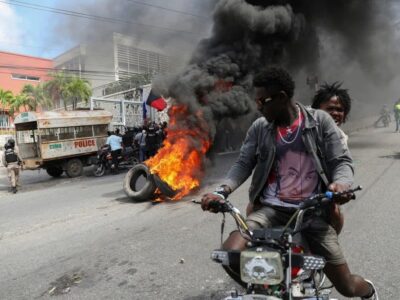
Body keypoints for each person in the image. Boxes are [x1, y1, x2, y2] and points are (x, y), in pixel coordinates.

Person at [201, 67, 378, 299]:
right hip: (271, 210)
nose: (258, 106)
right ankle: (273, 290)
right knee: (231, 253)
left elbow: (341, 161)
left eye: (263, 101)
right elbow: (243, 163)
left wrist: (341, 184)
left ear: (282, 97)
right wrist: (221, 192)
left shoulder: (320, 121)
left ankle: (369, 290)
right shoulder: (260, 128)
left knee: (347, 287)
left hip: (311, 213)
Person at [311, 82, 353, 234]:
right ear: (316, 111)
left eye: (339, 110)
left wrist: (340, 184)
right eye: (330, 109)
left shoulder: (341, 138)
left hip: (322, 193)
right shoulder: (303, 128)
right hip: (290, 191)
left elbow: (342, 164)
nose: (335, 113)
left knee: (335, 215)